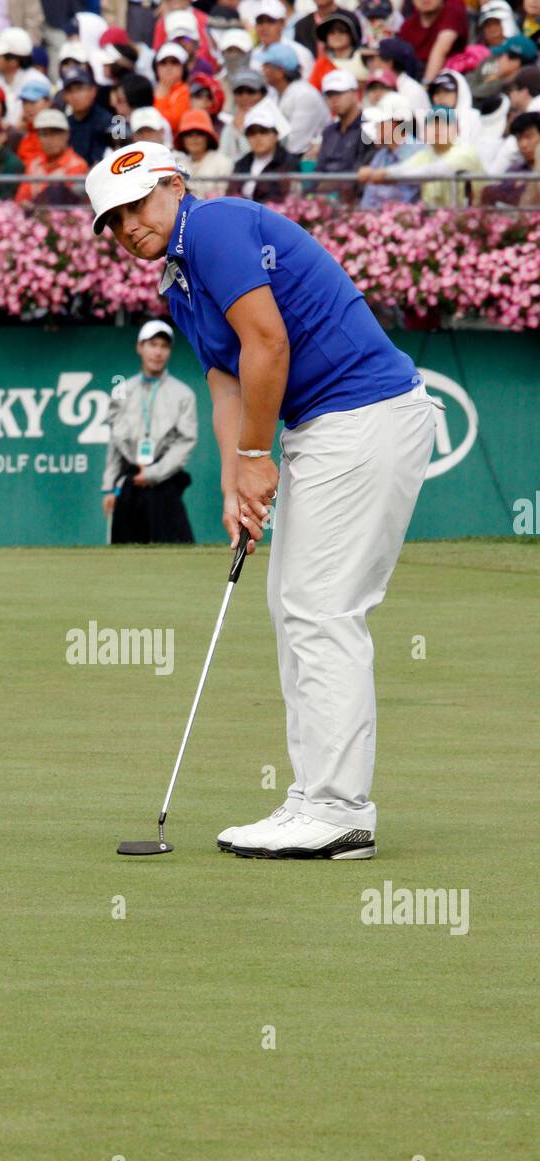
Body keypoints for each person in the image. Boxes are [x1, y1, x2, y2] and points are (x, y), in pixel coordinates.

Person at [87, 140, 437, 858]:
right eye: (111, 221)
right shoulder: (178, 284)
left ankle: (339, 809)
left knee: (321, 609)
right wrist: (232, 484)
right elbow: (226, 383)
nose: (126, 227)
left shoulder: (211, 225)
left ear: (174, 185)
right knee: (295, 606)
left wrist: (255, 457)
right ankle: (313, 797)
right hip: (327, 427)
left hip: (362, 414)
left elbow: (267, 343)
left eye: (135, 205)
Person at [101, 320, 197, 544]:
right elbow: (115, 443)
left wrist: (153, 473)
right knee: (123, 556)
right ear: (140, 347)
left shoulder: (183, 394)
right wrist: (108, 488)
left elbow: (185, 442)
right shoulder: (122, 391)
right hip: (130, 479)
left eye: (164, 346)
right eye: (152, 344)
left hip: (165, 481)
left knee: (176, 552)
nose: (158, 352)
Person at [261, 43, 330, 155]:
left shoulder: (304, 95)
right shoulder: (276, 94)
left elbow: (295, 145)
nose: (263, 70)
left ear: (280, 72)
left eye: (266, 66)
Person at [228, 97, 301, 200]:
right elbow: (231, 195)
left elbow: (286, 200)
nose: (258, 138)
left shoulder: (289, 163)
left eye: (263, 131)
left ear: (276, 135)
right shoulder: (241, 163)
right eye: (252, 133)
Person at [357, 94, 422, 204]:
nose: (376, 127)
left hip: (405, 218)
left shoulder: (419, 152)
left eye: (381, 122)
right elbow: (368, 200)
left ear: (397, 123)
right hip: (379, 218)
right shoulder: (381, 155)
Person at [315, 69, 373, 191]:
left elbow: (361, 170)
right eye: (330, 95)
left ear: (355, 94)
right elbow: (319, 170)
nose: (334, 99)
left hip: (352, 197)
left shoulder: (369, 130)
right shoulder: (328, 132)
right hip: (324, 195)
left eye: (339, 93)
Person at [14, 109, 89, 204]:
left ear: (67, 135)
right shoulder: (34, 164)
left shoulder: (77, 165)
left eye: (55, 133)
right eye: (44, 134)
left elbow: (65, 201)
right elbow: (21, 199)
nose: (50, 139)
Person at [398, 0, 468, 86]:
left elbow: (441, 49)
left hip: (445, 81)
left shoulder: (453, 8)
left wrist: (426, 86)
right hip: (412, 79)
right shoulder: (407, 26)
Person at [61, 65, 115, 166]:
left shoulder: (107, 122)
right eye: (70, 91)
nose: (75, 96)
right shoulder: (64, 124)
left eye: (80, 89)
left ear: (93, 91)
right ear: (64, 96)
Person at [174, 108, 234, 196]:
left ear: (208, 138)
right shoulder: (179, 165)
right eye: (188, 134)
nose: (194, 138)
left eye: (199, 133)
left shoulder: (223, 162)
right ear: (182, 139)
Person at [219, 69, 266, 163]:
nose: (245, 97)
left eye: (251, 91)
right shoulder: (229, 123)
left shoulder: (273, 118)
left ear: (262, 94)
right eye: (239, 92)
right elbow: (223, 156)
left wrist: (241, 130)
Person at [154, 41, 192, 137]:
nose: (168, 67)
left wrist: (161, 98)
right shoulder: (150, 90)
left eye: (174, 62)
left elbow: (172, 124)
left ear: (183, 68)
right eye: (163, 63)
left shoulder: (185, 91)